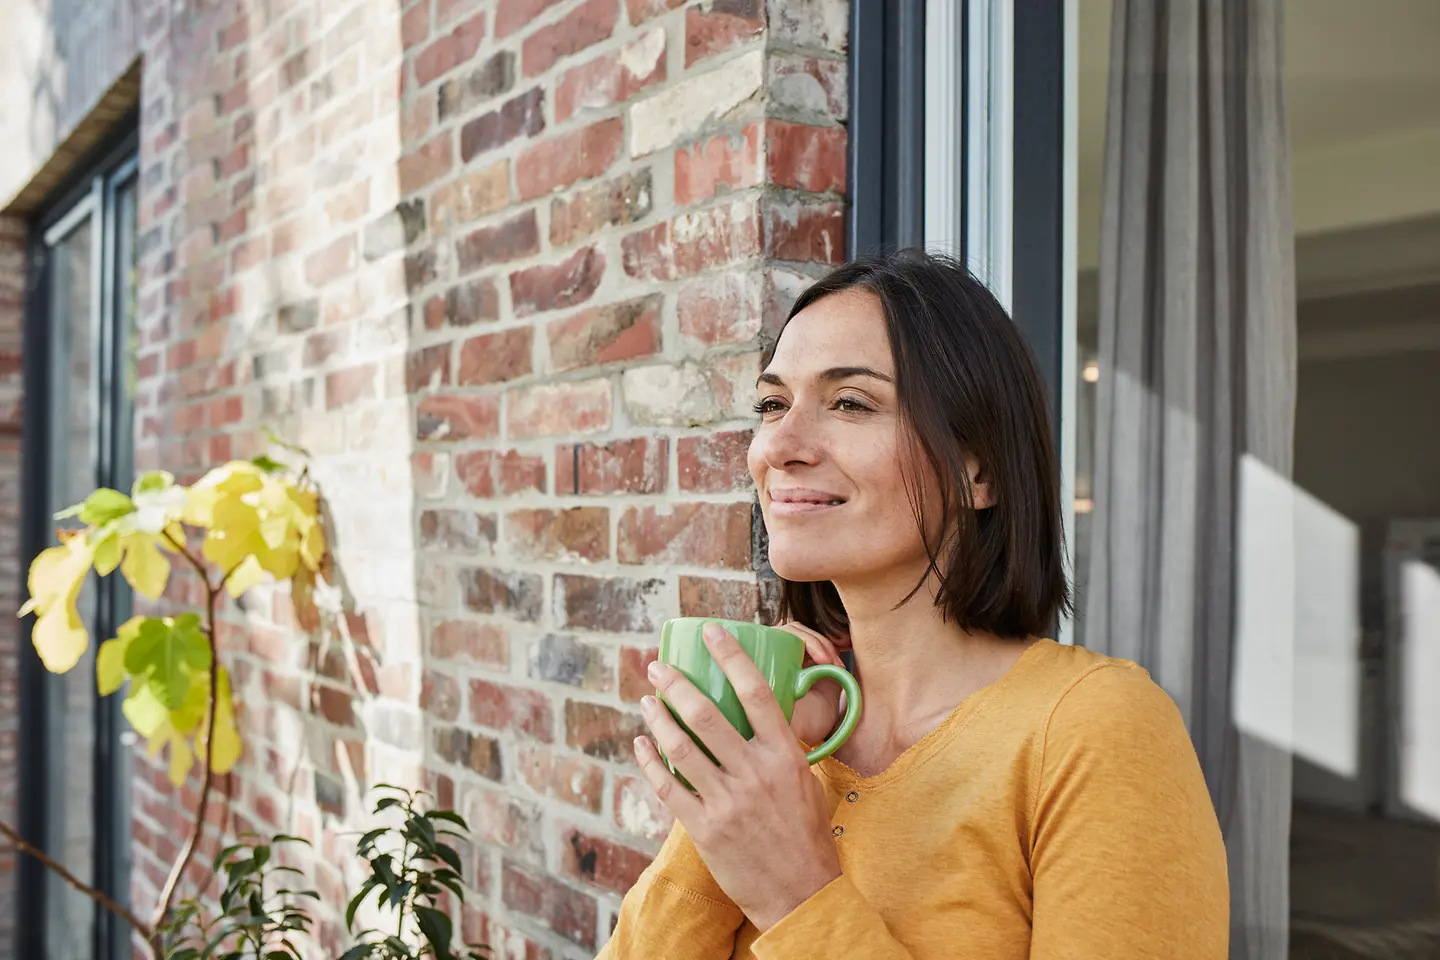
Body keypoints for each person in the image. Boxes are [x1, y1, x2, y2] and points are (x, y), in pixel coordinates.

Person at [598, 250, 1228, 959]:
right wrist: (730, 794)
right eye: (773, 403)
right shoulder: (798, 735)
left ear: (978, 470)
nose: (779, 444)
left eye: (850, 403)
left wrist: (795, 894)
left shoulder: (1093, 730)